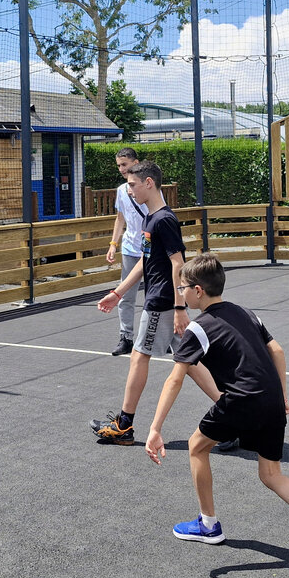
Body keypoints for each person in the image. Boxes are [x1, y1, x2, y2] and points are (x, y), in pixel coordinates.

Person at [144, 253, 289, 569]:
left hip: (242, 399)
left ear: (198, 291)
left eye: (183, 288)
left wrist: (155, 428)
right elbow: (278, 351)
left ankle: (208, 525)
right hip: (271, 401)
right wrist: (282, 396)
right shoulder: (247, 313)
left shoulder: (198, 328)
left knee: (196, 447)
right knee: (271, 473)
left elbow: (175, 378)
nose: (181, 293)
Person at [91, 162, 219, 446]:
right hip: (163, 300)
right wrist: (118, 293)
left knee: (139, 355)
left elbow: (178, 264)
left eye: (133, 185)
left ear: (149, 183)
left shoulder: (164, 220)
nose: (129, 189)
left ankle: (124, 425)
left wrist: (179, 308)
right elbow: (144, 263)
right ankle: (233, 414)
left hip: (162, 301)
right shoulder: (150, 218)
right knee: (191, 361)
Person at [104, 147, 155, 356]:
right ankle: (126, 337)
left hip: (150, 249)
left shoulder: (150, 188)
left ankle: (162, 335)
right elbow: (120, 218)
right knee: (125, 295)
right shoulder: (120, 190)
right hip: (130, 249)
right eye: (119, 165)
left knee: (155, 294)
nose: (121, 169)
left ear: (136, 163)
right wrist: (113, 244)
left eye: (124, 164)